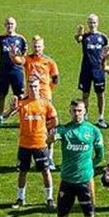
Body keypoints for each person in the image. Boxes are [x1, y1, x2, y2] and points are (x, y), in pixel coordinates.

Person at [48, 99, 106, 217]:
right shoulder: (64, 130)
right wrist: (51, 138)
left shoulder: (93, 131)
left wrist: (90, 169)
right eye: (74, 110)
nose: (77, 113)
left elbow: (100, 154)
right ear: (70, 112)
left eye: (80, 110)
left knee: (89, 215)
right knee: (62, 216)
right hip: (67, 181)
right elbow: (49, 140)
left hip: (84, 182)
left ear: (85, 111)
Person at [1, 74, 58, 209]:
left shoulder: (45, 103)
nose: (33, 89)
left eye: (35, 86)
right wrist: (10, 108)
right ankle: (20, 198)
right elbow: (4, 116)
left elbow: (55, 120)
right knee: (22, 171)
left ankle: (49, 198)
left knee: (45, 171)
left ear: (40, 87)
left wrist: (47, 132)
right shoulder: (22, 103)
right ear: (27, 87)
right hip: (24, 144)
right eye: (30, 86)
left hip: (40, 144)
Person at [24, 35, 61, 169]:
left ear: (43, 47)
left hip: (45, 99)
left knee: (49, 128)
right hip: (31, 99)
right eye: (35, 46)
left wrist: (48, 90)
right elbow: (16, 61)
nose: (37, 49)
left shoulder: (49, 62)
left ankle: (49, 157)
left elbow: (56, 78)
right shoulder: (27, 59)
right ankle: (32, 155)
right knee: (32, 128)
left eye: (39, 46)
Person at [0, 17, 26, 125]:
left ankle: (22, 118)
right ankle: (0, 117)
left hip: (17, 71)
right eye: (8, 24)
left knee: (20, 96)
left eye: (12, 24)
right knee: (2, 94)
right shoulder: (2, 38)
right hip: (3, 71)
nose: (10, 26)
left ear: (15, 25)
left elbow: (24, 56)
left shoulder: (21, 39)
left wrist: (19, 60)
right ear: (5, 25)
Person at [75, 14, 109, 128]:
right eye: (90, 22)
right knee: (85, 94)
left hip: (99, 70)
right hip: (86, 69)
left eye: (94, 22)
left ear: (98, 23)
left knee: (100, 94)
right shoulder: (85, 36)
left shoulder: (103, 37)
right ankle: (84, 117)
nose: (92, 25)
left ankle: (101, 118)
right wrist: (79, 33)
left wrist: (107, 56)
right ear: (88, 23)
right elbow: (78, 39)